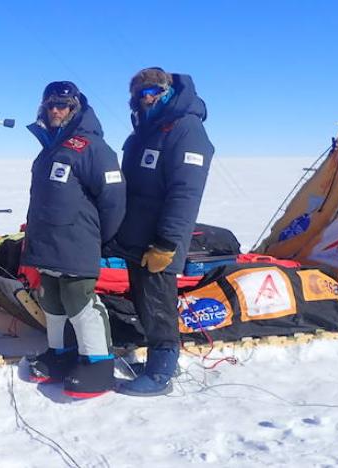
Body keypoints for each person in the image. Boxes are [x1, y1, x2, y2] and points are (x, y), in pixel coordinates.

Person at [113, 67, 214, 397]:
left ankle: (162, 373)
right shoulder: (147, 130)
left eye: (152, 91)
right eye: (139, 94)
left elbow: (185, 193)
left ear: (168, 90)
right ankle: (159, 361)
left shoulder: (186, 129)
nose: (146, 98)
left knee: (158, 305)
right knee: (144, 302)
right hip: (137, 236)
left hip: (160, 239)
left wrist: (168, 242)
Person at [22, 81, 126, 399]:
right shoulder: (53, 146)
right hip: (49, 242)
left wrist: (99, 238)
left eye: (63, 105)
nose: (56, 110)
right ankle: (60, 354)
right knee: (52, 301)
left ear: (75, 108)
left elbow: (114, 199)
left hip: (77, 239)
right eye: (51, 104)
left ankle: (98, 363)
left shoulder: (92, 147)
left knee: (79, 300)